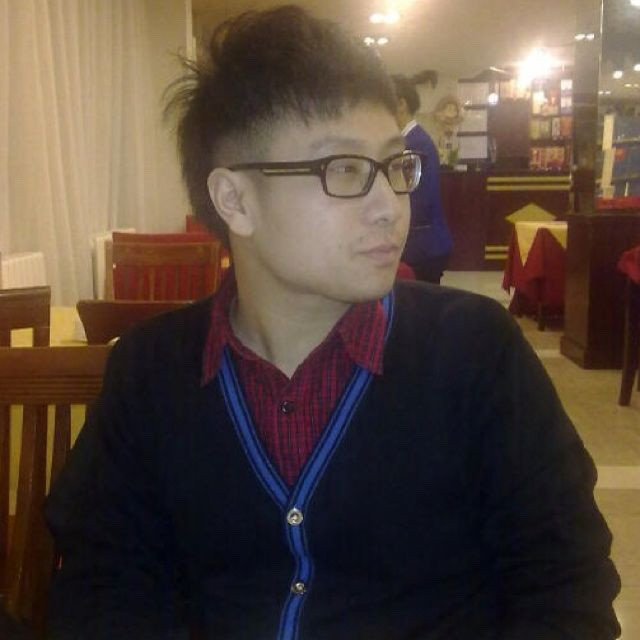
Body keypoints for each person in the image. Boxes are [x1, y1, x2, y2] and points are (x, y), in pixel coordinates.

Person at [45, 6, 621, 640]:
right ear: (235, 200)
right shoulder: (149, 371)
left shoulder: (476, 352)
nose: (389, 206)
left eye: (395, 167)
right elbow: (102, 585)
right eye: (343, 170)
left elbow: (567, 586)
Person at [392, 75, 453, 284]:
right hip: (425, 244)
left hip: (422, 247)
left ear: (401, 104)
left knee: (418, 302)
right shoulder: (414, 139)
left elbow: (416, 200)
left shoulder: (414, 144)